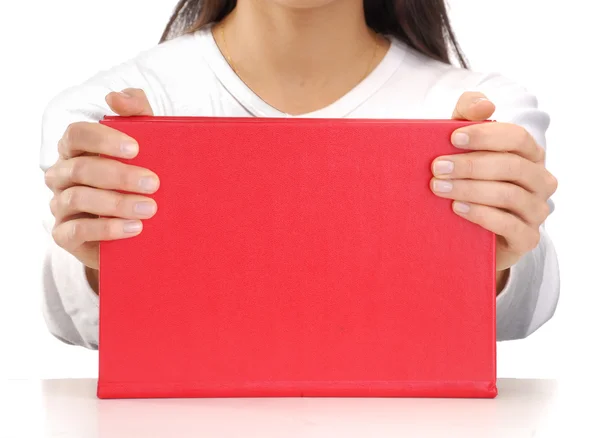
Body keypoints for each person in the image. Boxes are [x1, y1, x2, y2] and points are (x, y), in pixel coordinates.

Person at [40, 0, 559, 349]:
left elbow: (516, 322)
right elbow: (71, 325)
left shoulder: (478, 115)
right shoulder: (107, 118)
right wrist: (98, 259)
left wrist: (496, 261)